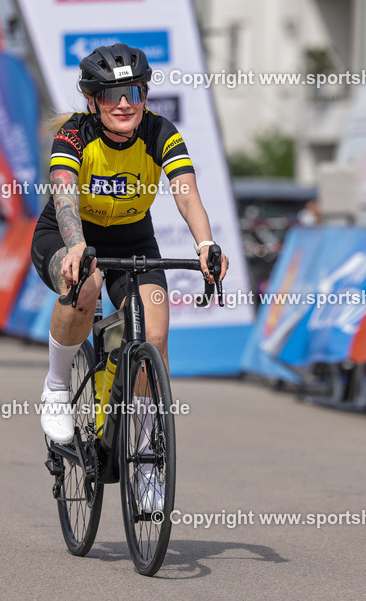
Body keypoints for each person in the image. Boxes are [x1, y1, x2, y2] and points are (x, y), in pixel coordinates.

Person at [30, 43, 229, 508]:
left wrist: (205, 244)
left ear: (144, 96)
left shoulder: (160, 132)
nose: (124, 103)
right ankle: (56, 386)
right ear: (92, 100)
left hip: (132, 238)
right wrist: (75, 247)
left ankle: (145, 459)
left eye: (134, 92)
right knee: (87, 284)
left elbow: (186, 193)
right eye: (111, 94)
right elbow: (64, 197)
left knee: (153, 337)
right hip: (67, 233)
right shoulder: (74, 137)